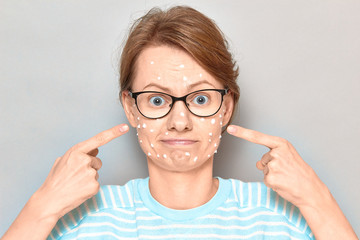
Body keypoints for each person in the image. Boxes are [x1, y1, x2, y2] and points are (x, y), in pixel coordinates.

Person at [1, 5, 357, 240]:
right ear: (130, 107)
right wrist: (41, 206)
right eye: (157, 100)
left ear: (227, 106)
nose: (180, 121)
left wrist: (318, 200)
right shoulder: (79, 219)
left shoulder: (281, 216)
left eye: (200, 99)